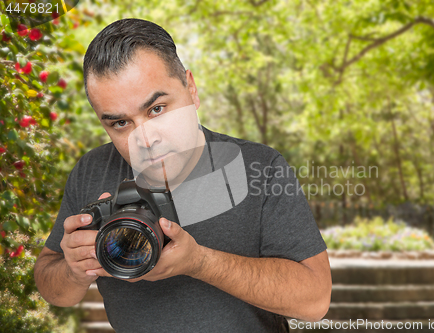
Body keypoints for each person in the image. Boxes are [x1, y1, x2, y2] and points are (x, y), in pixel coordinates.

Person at [34, 18, 332, 332]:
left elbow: (314, 302)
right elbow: (53, 287)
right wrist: (74, 270)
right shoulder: (91, 170)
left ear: (191, 89)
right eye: (120, 123)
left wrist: (200, 262)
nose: (146, 139)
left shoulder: (261, 167)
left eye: (157, 109)